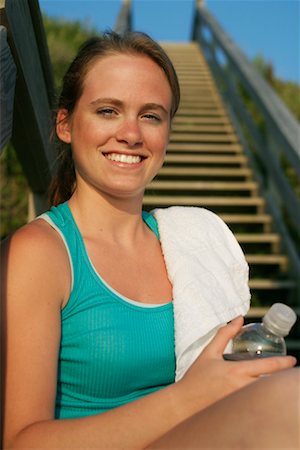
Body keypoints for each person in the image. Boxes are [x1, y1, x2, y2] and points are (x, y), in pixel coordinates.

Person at [1, 31, 299, 450]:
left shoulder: (188, 242)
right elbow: (20, 443)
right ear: (65, 125)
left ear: (167, 134)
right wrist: (188, 398)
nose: (131, 134)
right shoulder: (41, 254)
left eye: (151, 115)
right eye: (108, 110)